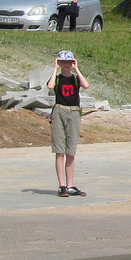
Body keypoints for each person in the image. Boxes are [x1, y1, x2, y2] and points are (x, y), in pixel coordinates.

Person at [46, 49, 89, 197]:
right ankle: (62, 185)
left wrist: (76, 69)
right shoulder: (57, 78)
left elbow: (86, 85)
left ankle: (70, 185)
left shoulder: (75, 79)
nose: (65, 65)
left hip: (74, 112)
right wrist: (55, 69)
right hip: (59, 111)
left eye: (68, 62)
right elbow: (50, 86)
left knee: (71, 151)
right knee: (60, 150)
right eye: (63, 62)